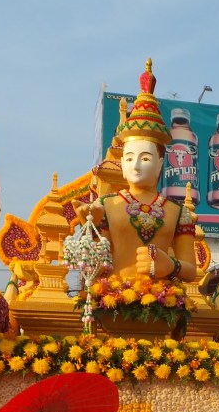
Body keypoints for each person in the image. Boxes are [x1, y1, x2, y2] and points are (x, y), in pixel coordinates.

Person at [73, 60, 197, 284]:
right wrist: (91, 227)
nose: (136, 165)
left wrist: (171, 266)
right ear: (121, 163)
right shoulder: (106, 205)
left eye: (145, 158)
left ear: (160, 164)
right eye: (129, 158)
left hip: (163, 299)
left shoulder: (178, 212)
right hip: (114, 296)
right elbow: (94, 268)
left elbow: (191, 271)